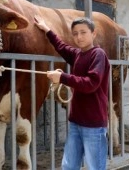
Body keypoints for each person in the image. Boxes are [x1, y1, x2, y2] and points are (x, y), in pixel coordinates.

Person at [34, 15, 110, 170]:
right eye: (75, 33)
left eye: (83, 32)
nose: (79, 37)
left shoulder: (98, 55)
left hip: (94, 124)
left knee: (95, 167)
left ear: (93, 34)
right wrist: (47, 29)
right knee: (69, 166)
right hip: (76, 121)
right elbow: (61, 46)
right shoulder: (77, 55)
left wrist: (62, 77)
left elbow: (91, 83)